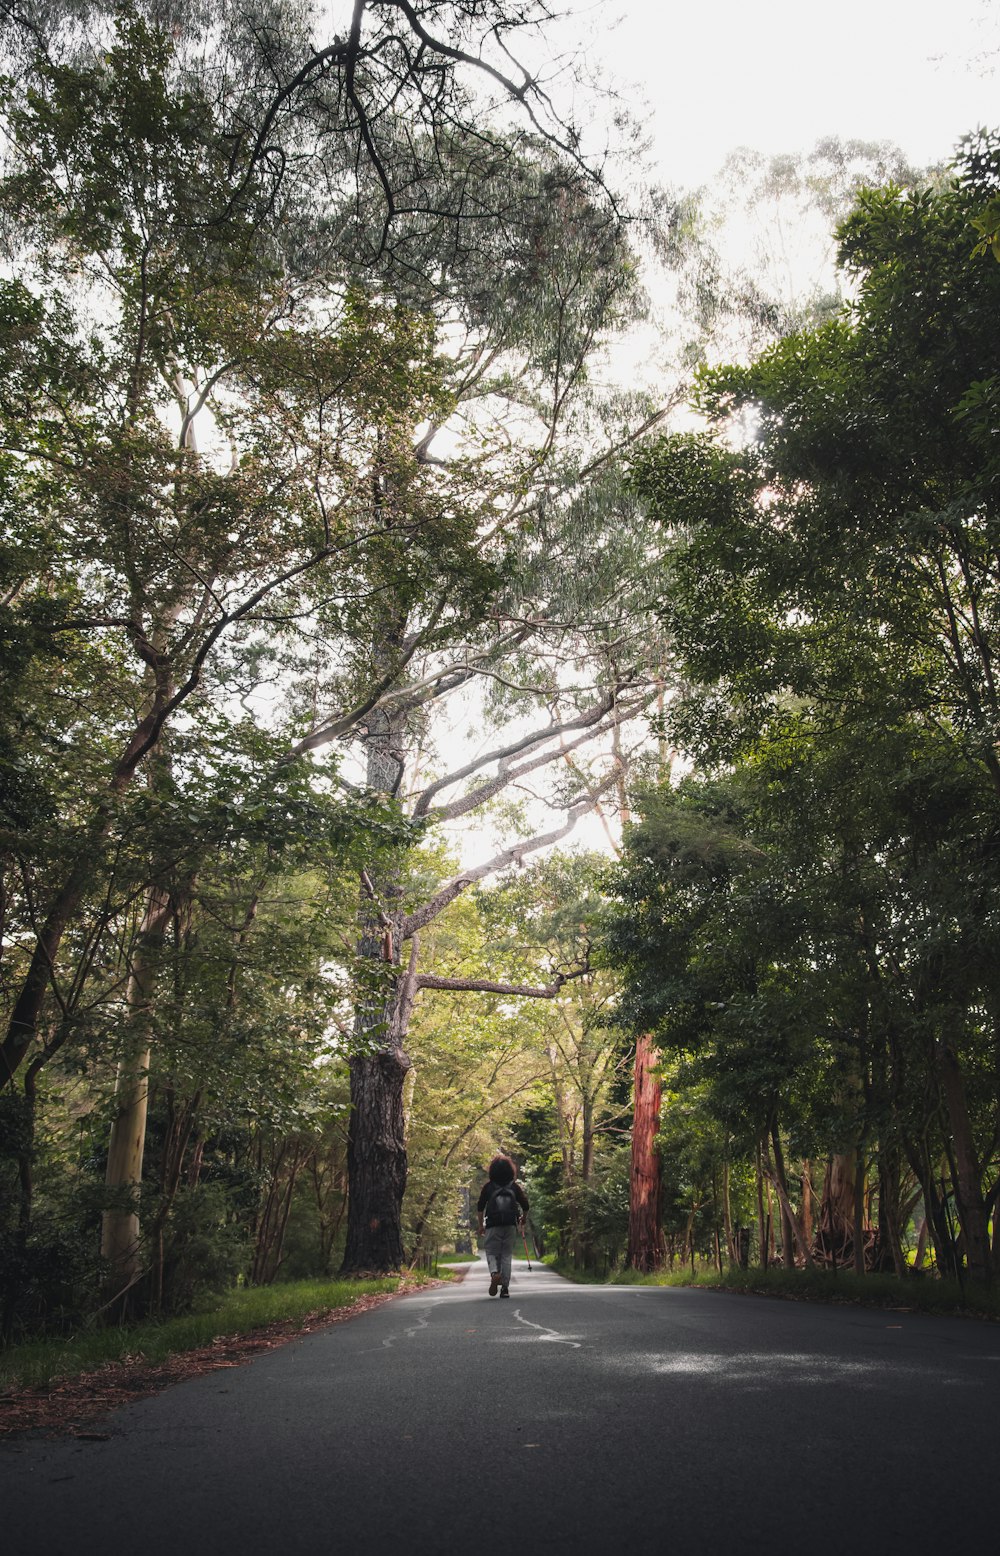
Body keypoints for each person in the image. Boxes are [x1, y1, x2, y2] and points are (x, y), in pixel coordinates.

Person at [477, 1154, 529, 1297]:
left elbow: (480, 1207)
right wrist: (523, 1219)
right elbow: (525, 1205)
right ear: (510, 1170)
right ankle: (505, 1289)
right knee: (506, 1255)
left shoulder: (488, 1187)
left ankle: (494, 1273)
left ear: (492, 1171)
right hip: (510, 1225)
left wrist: (481, 1225)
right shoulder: (514, 1187)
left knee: (491, 1251)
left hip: (493, 1225)